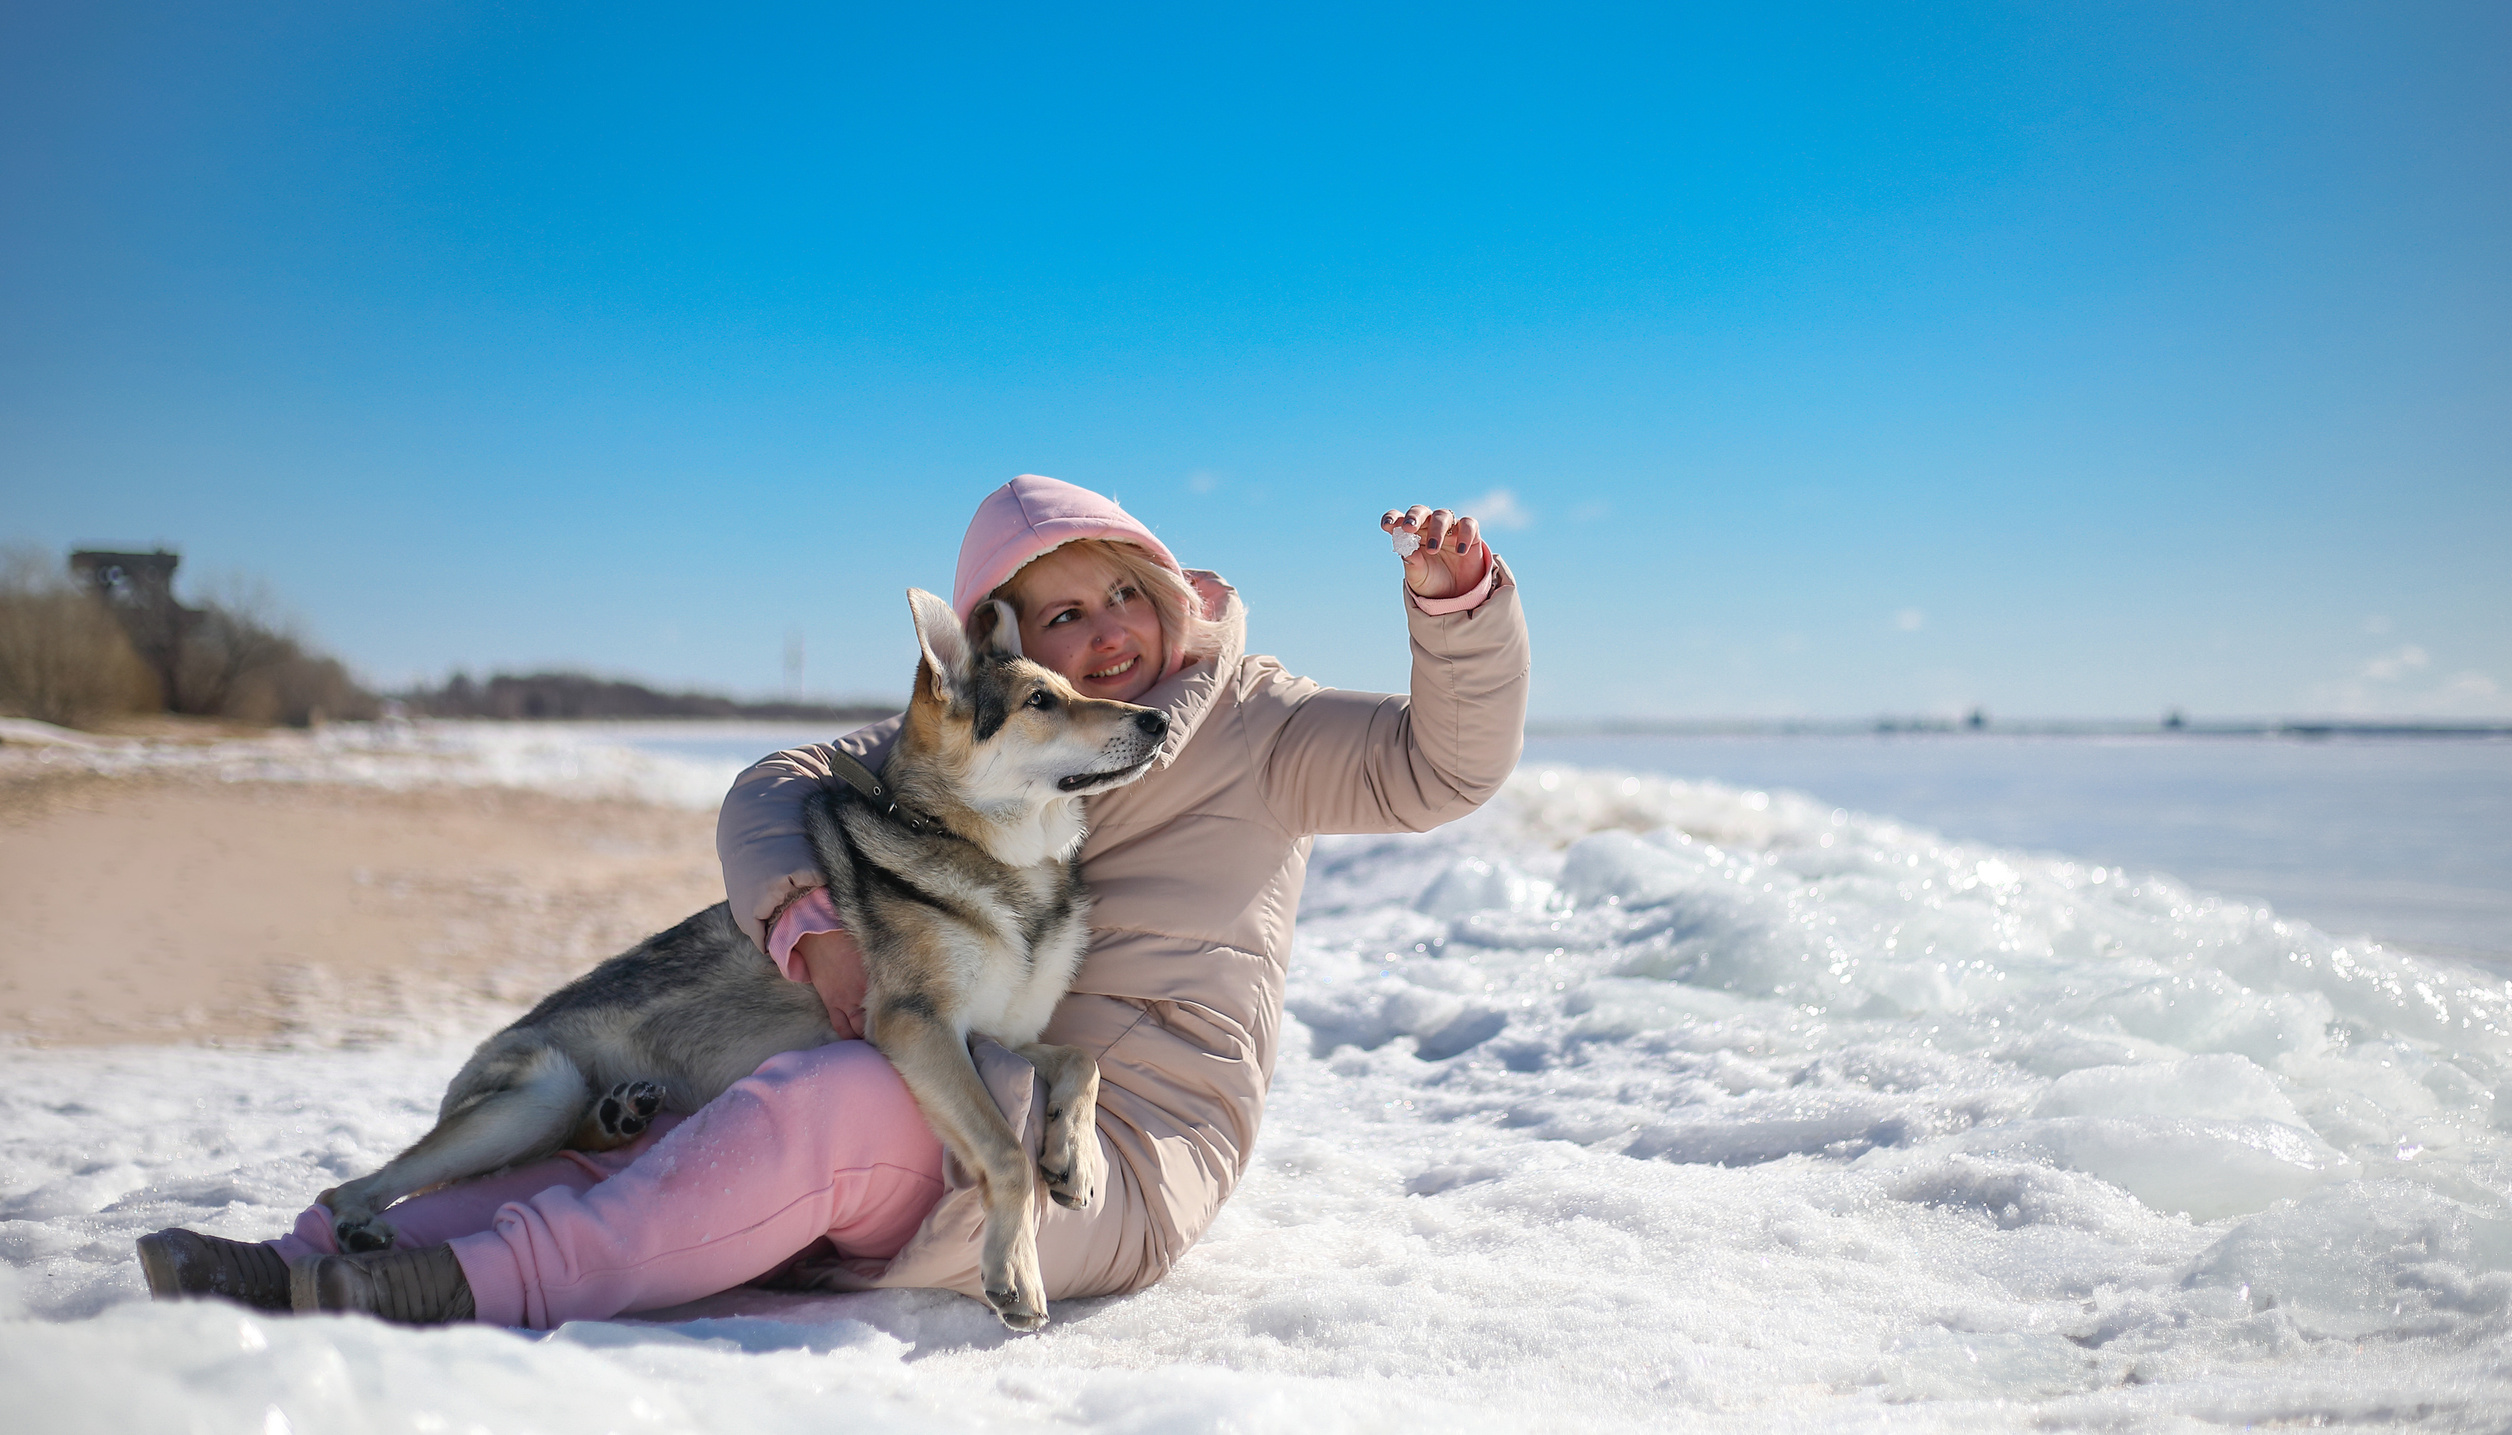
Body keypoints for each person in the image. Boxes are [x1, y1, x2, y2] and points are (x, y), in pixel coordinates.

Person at [138, 476, 1529, 1326]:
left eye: (1124, 593)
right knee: (687, 1129)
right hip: (941, 1078)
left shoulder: (1262, 729)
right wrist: (805, 930)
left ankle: (467, 1293)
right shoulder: (987, 734)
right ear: (1003, 652)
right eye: (1058, 617)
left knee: (821, 1114)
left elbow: (1439, 767)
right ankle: (301, 1259)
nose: (1105, 630)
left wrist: (1459, 613)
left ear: (1173, 593)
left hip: (1122, 1153)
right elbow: (779, 781)